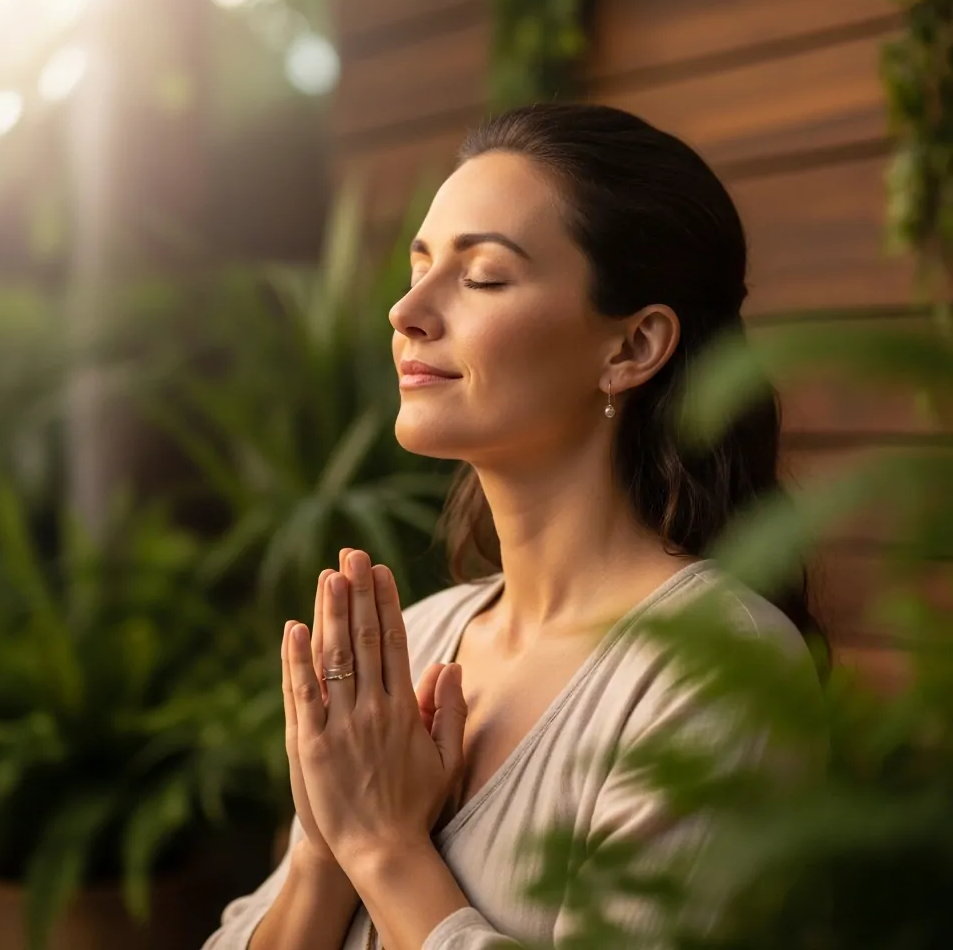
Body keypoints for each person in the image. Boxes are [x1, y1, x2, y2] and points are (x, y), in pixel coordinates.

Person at [202, 103, 825, 950]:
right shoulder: (414, 644)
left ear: (633, 347)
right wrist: (324, 847)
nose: (408, 311)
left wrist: (384, 850)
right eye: (418, 266)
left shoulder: (719, 669)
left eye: (484, 276)